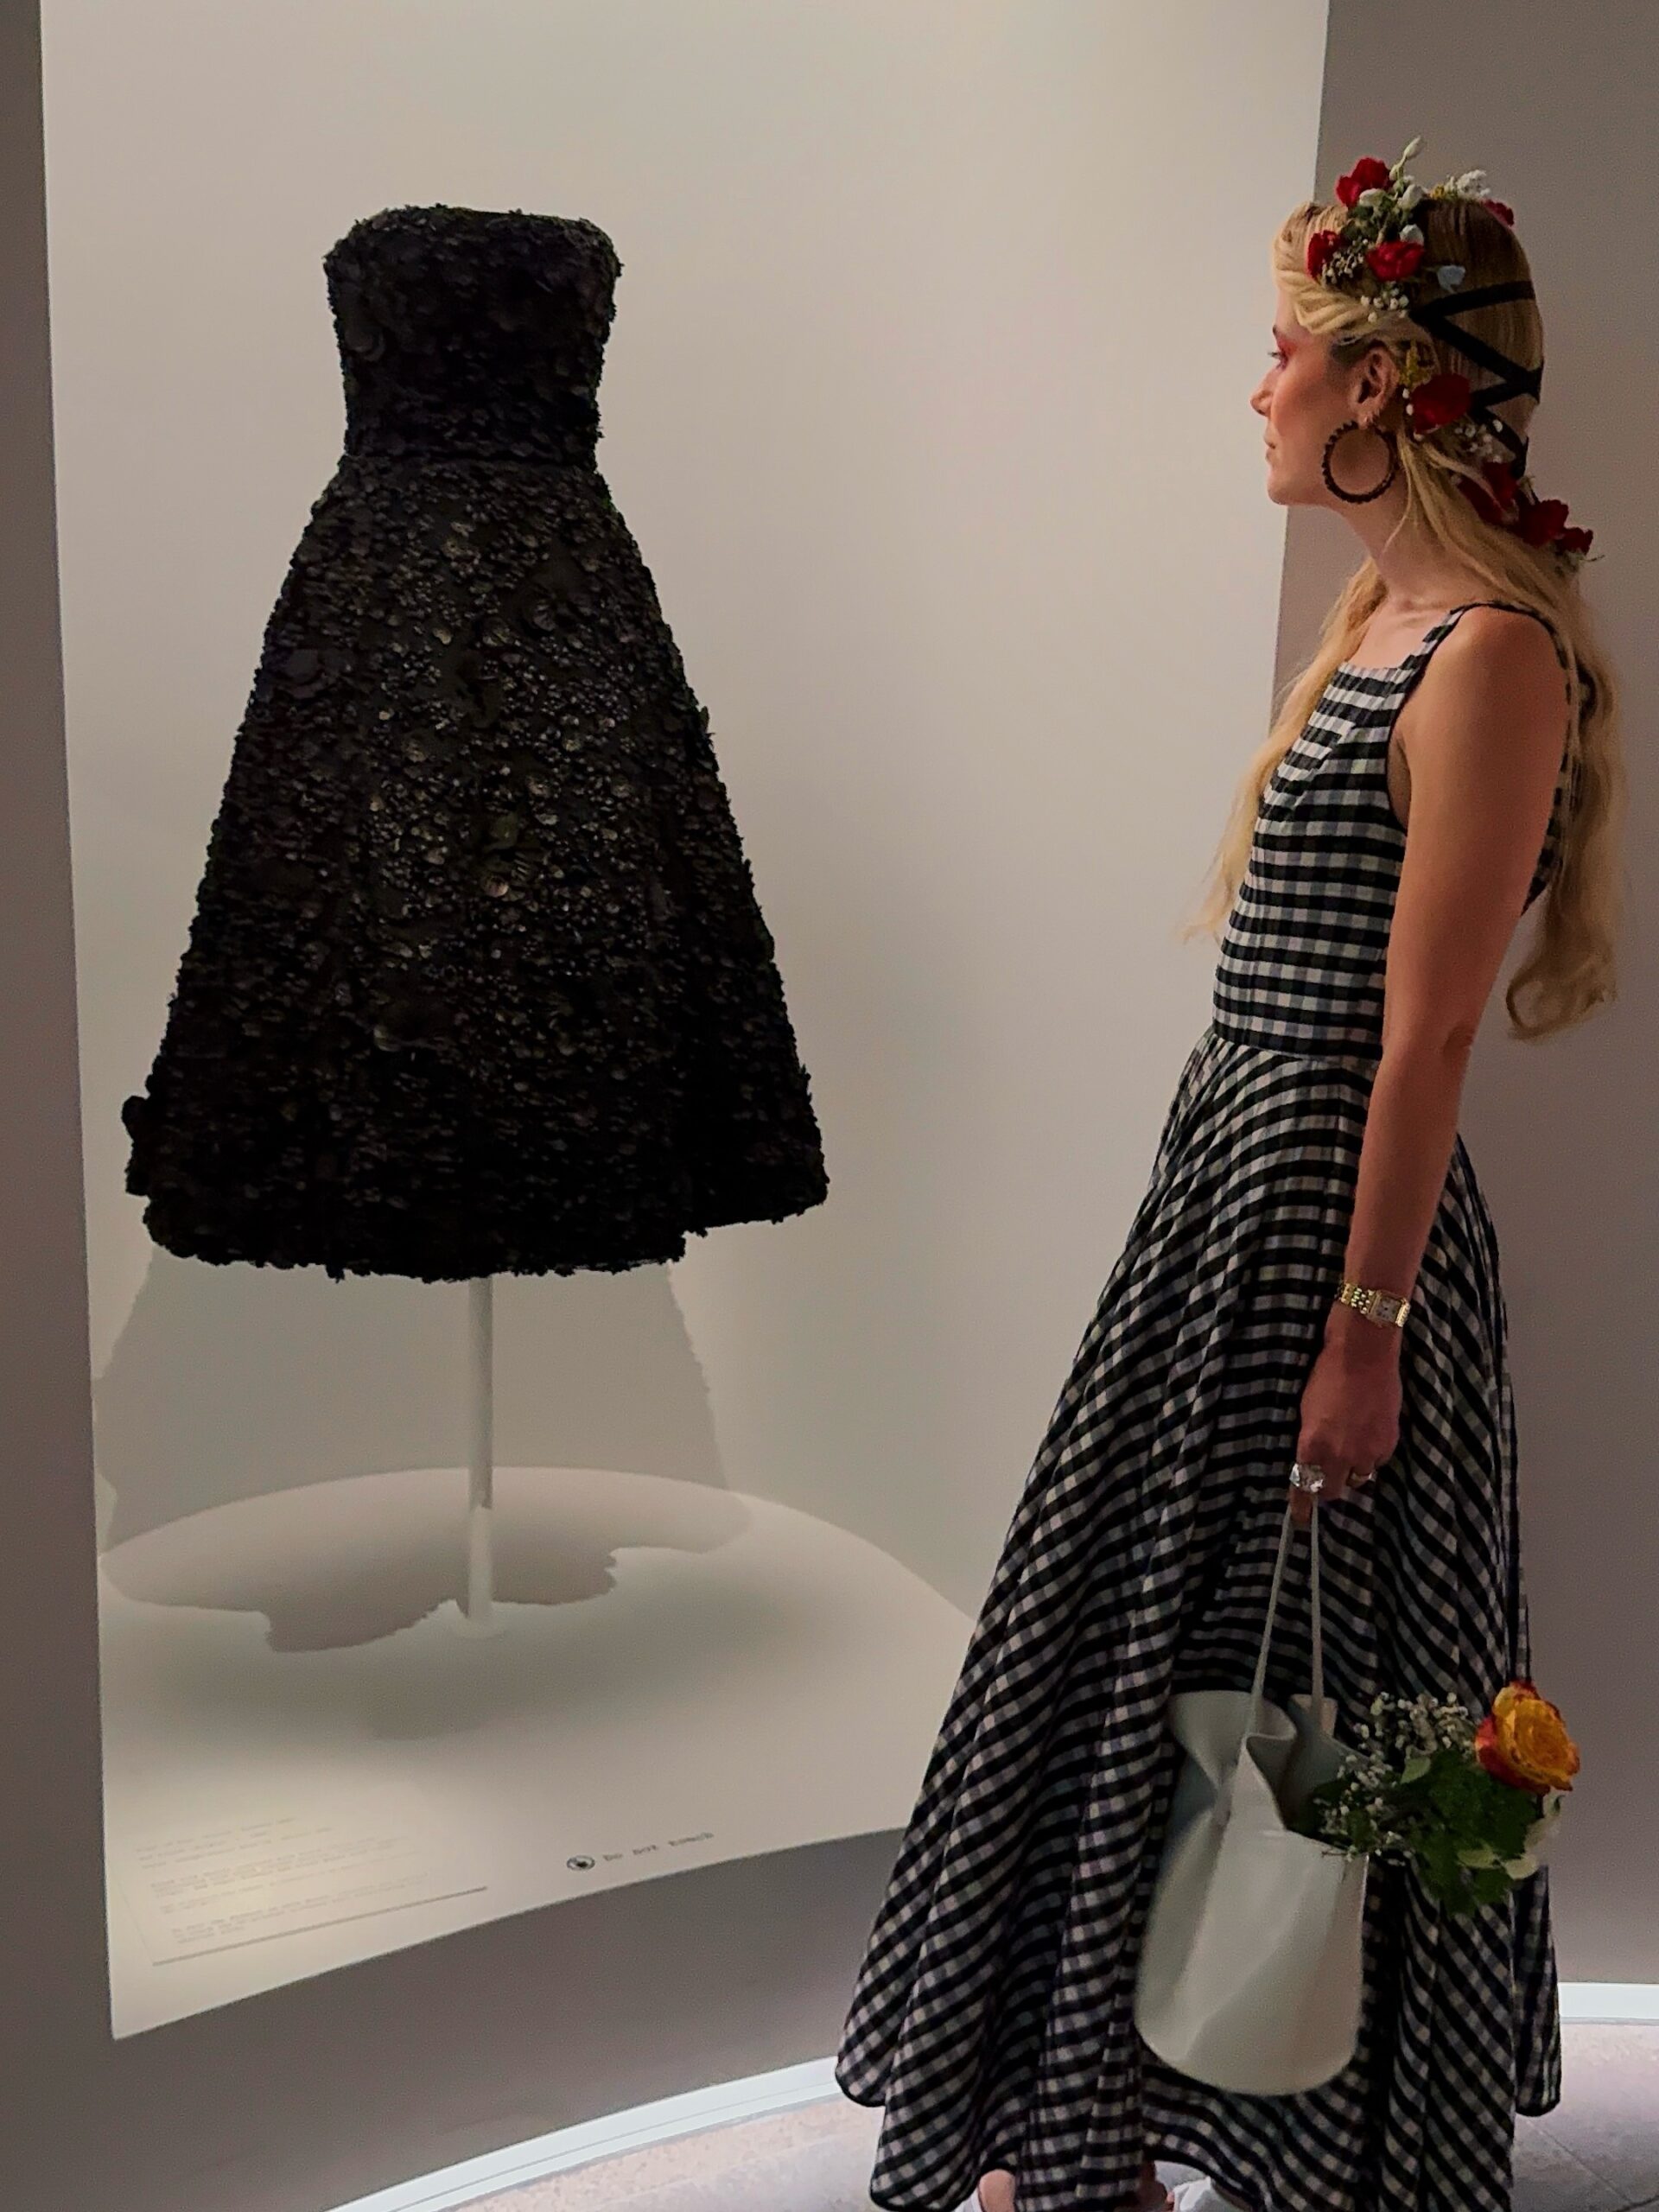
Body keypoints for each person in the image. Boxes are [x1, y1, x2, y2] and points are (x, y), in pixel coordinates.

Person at [834, 137, 1623, 2212]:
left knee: (1347, 1684)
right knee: (1145, 1663)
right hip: (1231, 1203)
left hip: (1333, 1238)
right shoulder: (1386, 620)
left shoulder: (1491, 656)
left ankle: (1338, 2145)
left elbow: (1427, 1036)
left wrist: (1366, 1333)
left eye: (1284, 348)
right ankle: (1079, 2123)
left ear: (1378, 383)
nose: (1256, 386)